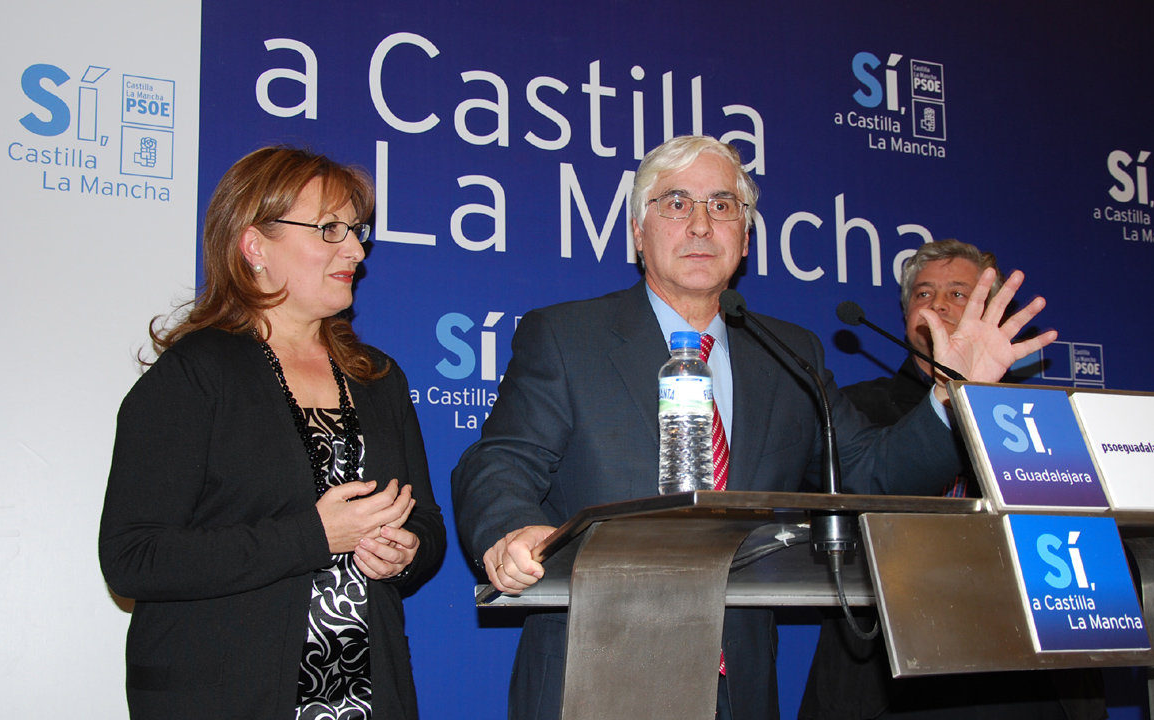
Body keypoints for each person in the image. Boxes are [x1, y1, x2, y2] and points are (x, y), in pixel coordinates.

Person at [451, 136, 1055, 720]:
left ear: (744, 239)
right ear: (638, 231)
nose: (700, 224)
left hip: (740, 685)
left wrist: (951, 396)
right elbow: (499, 461)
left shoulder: (788, 353)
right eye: (676, 203)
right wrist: (508, 529)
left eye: (722, 206)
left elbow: (870, 474)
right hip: (594, 671)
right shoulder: (566, 336)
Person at [99, 147, 445, 720]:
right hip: (226, 696)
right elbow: (133, 557)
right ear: (255, 245)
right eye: (329, 229)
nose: (356, 251)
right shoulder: (196, 375)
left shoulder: (377, 377)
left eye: (356, 231)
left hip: (364, 697)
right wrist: (314, 535)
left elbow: (425, 522)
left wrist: (405, 552)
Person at [799, 240, 1106, 720]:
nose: (938, 304)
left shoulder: (1039, 419)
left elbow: (1089, 547)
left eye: (958, 294)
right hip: (891, 678)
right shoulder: (852, 411)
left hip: (1030, 676)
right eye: (923, 294)